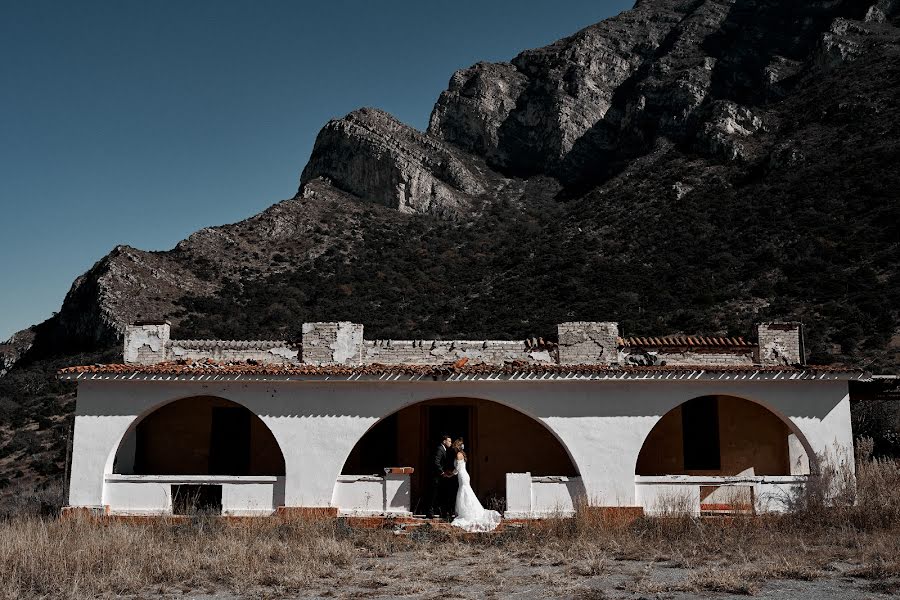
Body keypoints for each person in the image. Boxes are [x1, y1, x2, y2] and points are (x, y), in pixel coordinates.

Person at [450, 437, 501, 532]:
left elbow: (457, 469)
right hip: (464, 475)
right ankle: (468, 510)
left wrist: (450, 474)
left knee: (464, 492)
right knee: (467, 492)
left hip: (461, 475)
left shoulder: (458, 454)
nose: (453, 448)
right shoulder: (462, 454)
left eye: (454, 446)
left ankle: (466, 513)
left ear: (457, 446)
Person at [426, 434, 453, 519]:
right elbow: (436, 462)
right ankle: (429, 513)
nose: (450, 443)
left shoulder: (443, 449)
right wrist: (442, 472)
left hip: (439, 477)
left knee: (438, 494)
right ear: (444, 441)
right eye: (449, 441)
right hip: (436, 476)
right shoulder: (440, 449)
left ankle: (439, 512)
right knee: (433, 494)